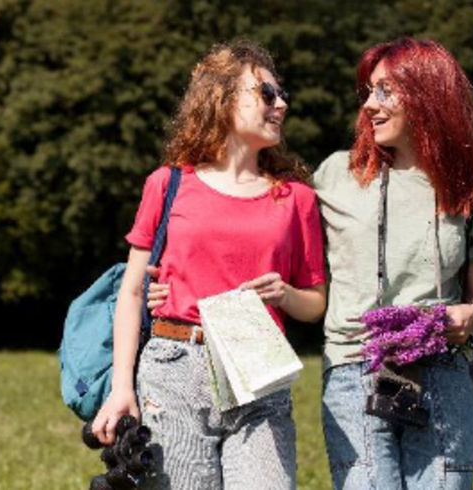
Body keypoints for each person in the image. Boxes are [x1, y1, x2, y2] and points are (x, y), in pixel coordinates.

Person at [91, 40, 327, 490]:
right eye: (267, 94)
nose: (282, 104)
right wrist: (123, 388)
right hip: (174, 366)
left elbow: (315, 303)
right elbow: (134, 292)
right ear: (221, 99)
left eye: (283, 94)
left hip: (259, 372)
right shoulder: (168, 185)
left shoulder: (297, 198)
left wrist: (285, 294)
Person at [314, 38, 473, 489]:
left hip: (443, 372)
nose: (370, 107)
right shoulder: (335, 175)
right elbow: (264, 230)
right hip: (353, 371)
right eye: (369, 93)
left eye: (385, 91)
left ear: (426, 94)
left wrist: (469, 315)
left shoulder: (465, 186)